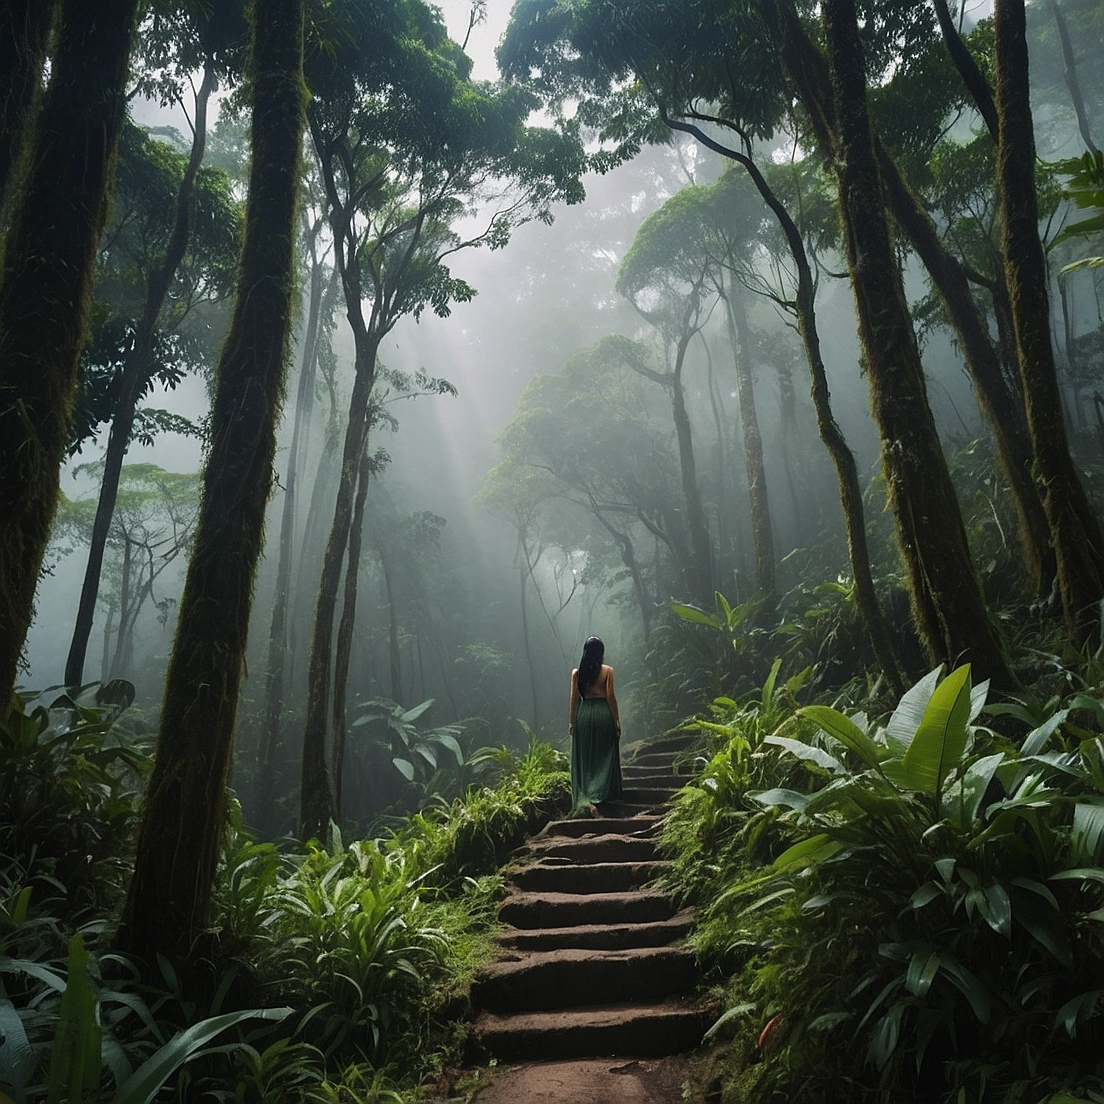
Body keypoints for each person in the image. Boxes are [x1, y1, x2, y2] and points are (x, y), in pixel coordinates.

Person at [568, 635, 623, 817]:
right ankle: (601, 792)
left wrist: (572, 722)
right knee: (604, 753)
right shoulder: (608, 671)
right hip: (602, 714)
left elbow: (574, 699)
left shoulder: (577, 674)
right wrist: (616, 720)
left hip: (584, 715)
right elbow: (610, 696)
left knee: (586, 757)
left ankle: (587, 798)